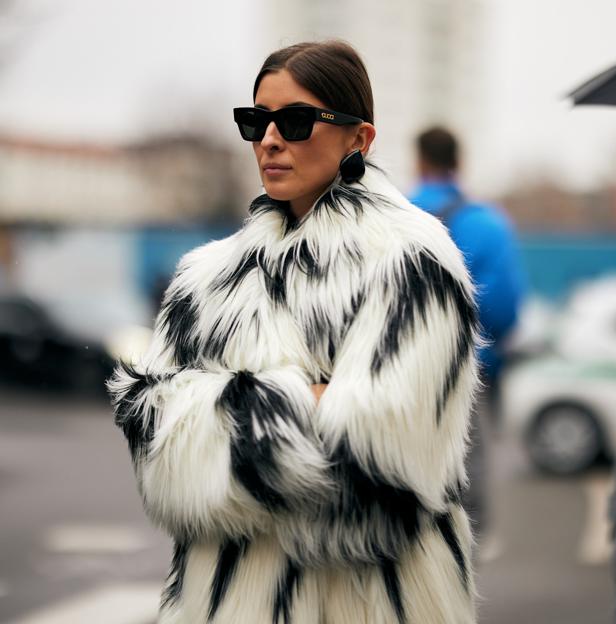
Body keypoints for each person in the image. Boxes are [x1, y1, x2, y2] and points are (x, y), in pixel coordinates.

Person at [108, 41, 480, 623]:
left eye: (297, 120)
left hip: (369, 603)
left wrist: (216, 418)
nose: (270, 139)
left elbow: (387, 472)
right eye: (256, 121)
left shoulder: (412, 259)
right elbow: (153, 446)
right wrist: (312, 402)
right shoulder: (204, 278)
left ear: (360, 139)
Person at [408, 126, 525, 543]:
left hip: (400, 378)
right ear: (459, 162)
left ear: (419, 161)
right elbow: (506, 308)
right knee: (467, 474)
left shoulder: (396, 216)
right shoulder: (489, 225)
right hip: (469, 375)